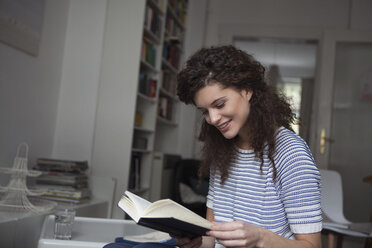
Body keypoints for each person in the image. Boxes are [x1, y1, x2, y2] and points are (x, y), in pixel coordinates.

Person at [175, 45, 322, 248]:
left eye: (219, 105)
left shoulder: (291, 153)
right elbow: (213, 235)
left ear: (247, 90)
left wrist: (261, 238)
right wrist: (200, 243)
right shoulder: (222, 149)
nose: (213, 119)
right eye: (205, 111)